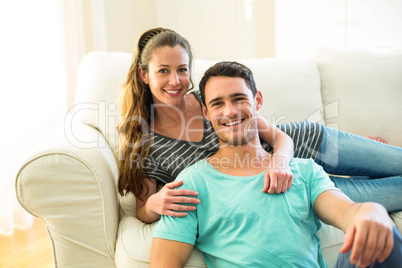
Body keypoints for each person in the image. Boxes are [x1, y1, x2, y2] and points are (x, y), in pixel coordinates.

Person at [116, 27, 402, 224]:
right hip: (298, 187)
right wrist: (153, 205)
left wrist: (279, 162)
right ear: (143, 74)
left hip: (310, 143)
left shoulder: (209, 98)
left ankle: (364, 162)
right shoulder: (144, 141)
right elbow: (142, 208)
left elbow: (279, 136)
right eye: (163, 71)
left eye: (182, 69)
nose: (175, 81)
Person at [151, 61, 402, 268]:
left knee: (385, 235)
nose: (229, 111)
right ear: (205, 112)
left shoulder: (304, 171)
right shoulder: (192, 183)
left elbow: (347, 212)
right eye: (218, 103)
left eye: (239, 99)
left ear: (257, 101)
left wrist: (371, 211)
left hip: (316, 141)